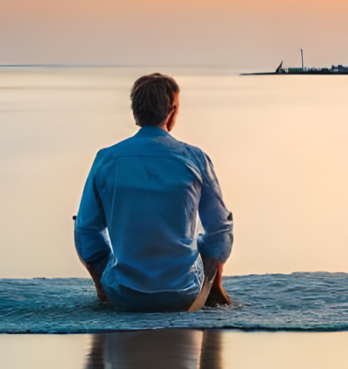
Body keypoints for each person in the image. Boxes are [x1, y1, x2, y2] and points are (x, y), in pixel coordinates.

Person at [74, 73, 233, 312]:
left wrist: (102, 277)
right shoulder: (195, 159)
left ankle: (105, 288)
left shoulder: (106, 159)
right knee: (215, 229)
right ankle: (212, 290)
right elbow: (220, 229)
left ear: (135, 111)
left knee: (83, 222)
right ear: (172, 110)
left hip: (124, 296)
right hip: (184, 294)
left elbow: (87, 231)